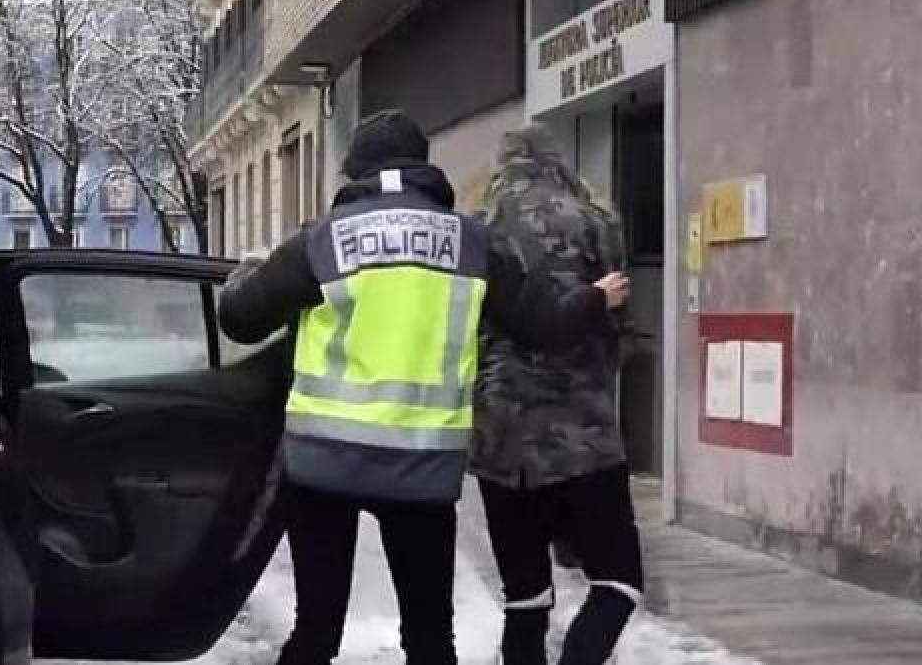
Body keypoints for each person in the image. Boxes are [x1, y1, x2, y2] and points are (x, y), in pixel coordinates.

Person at [218, 110, 629, 665]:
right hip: (420, 470)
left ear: (355, 172)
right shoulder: (471, 243)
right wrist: (596, 296)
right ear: (423, 169)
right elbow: (544, 327)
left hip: (323, 466)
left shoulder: (322, 240)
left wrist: (246, 274)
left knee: (316, 632)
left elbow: (240, 319)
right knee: (431, 638)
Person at [472, 128, 644, 665]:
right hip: (582, 435)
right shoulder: (595, 221)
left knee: (526, 598)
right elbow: (621, 333)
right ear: (556, 163)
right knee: (618, 580)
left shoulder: (474, 230)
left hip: (499, 441)